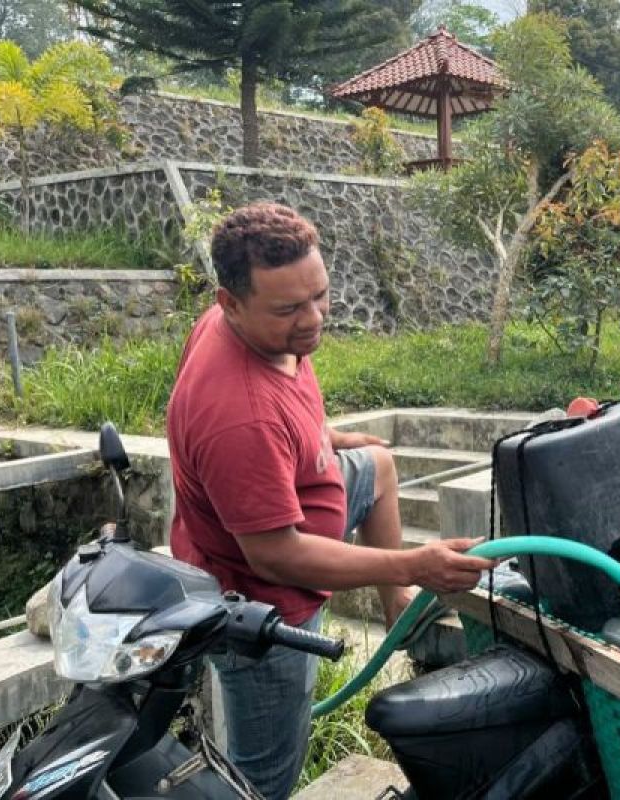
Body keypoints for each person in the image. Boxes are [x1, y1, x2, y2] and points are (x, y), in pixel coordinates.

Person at [167, 203, 496, 800]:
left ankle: (396, 607)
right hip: (264, 601)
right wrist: (414, 564)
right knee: (263, 777)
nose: (313, 319)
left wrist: (327, 438)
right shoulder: (236, 415)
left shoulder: (264, 330)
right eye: (289, 309)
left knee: (376, 464)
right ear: (229, 302)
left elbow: (285, 410)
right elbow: (275, 555)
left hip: (297, 503)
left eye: (319, 295)